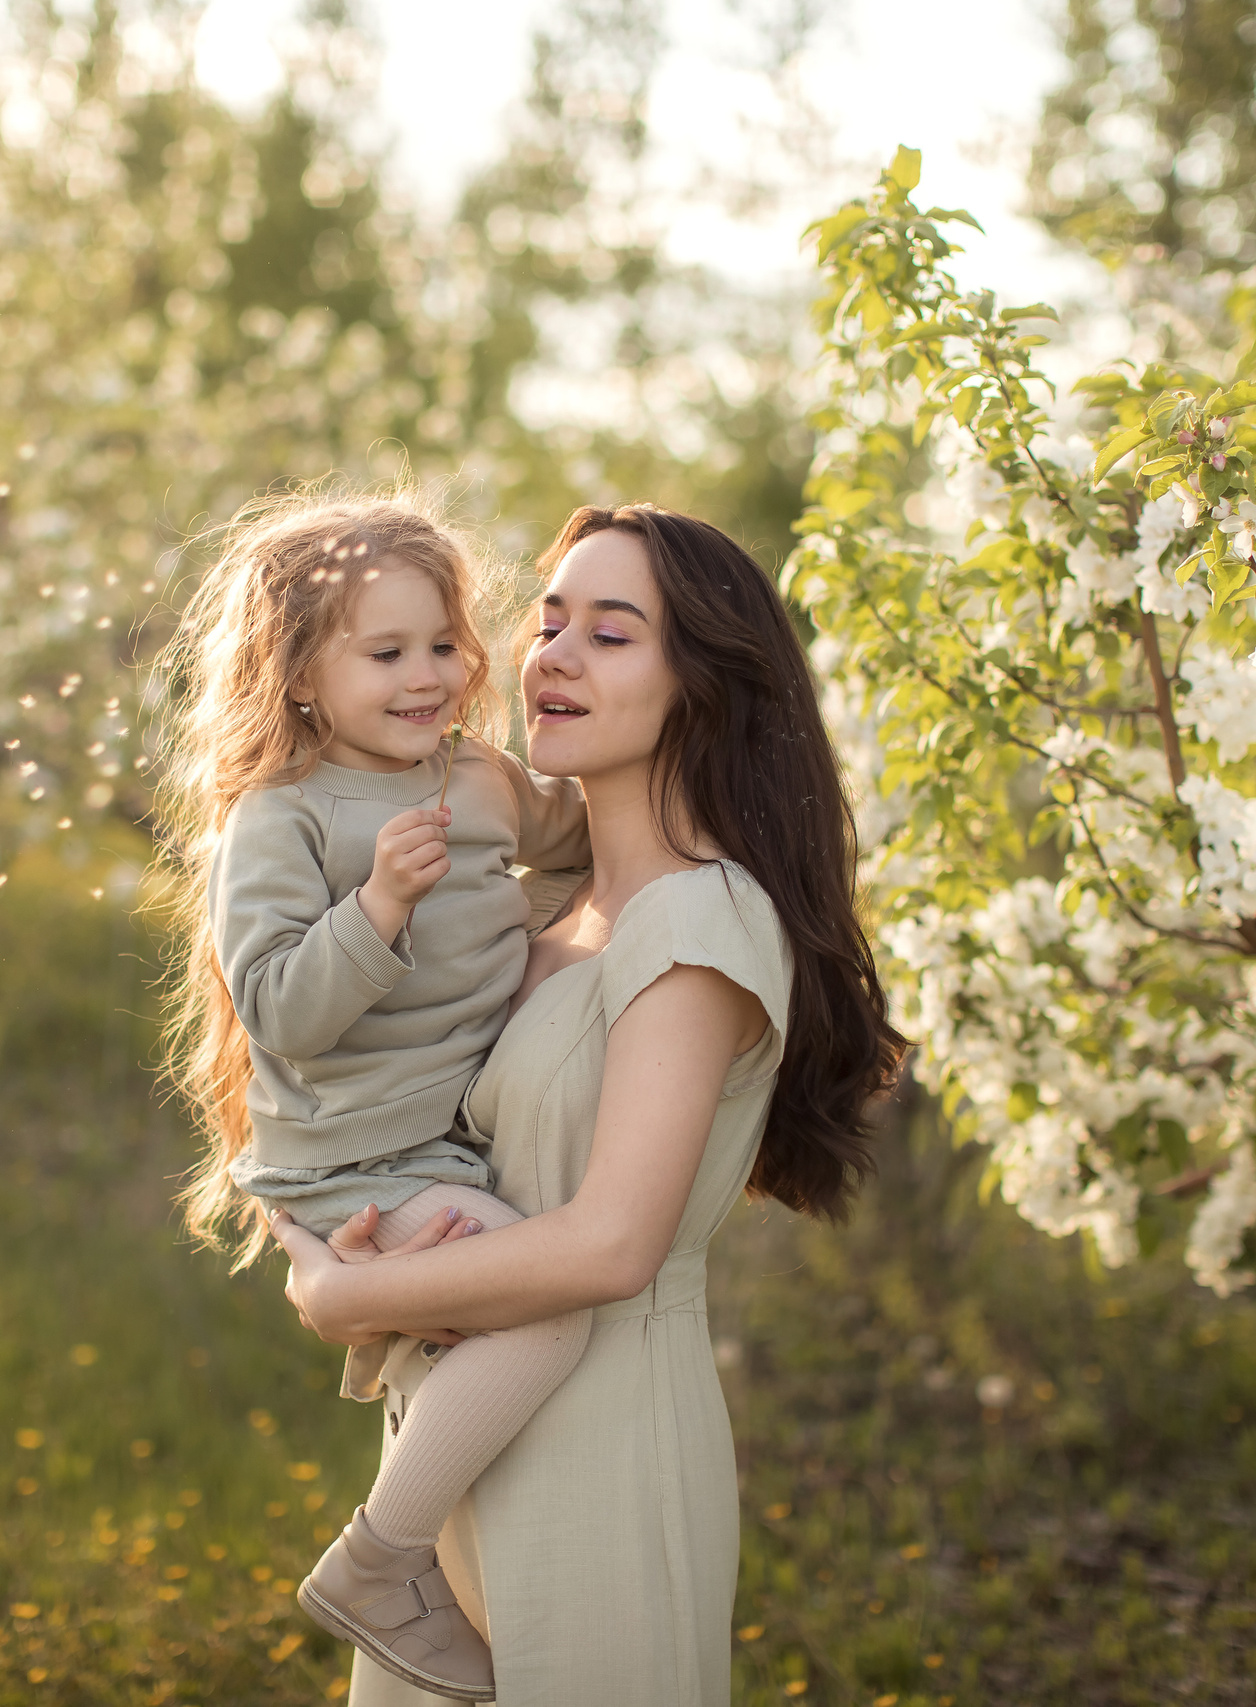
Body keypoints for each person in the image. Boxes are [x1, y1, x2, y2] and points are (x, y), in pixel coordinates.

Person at [271, 503, 905, 1705]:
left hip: (598, 1450)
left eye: (610, 635)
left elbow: (612, 1243)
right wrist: (371, 1222)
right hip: (458, 1437)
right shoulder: (545, 909)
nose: (551, 653)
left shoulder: (696, 921)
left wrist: (343, 1291)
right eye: (549, 619)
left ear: (704, 688)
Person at [155, 491, 597, 1700]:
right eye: (385, 652)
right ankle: (378, 1561)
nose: (428, 676)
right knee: (548, 1307)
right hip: (354, 1161)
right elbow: (282, 1012)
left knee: (512, 1298)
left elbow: (584, 849)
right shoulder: (281, 816)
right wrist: (379, 911)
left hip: (446, 1147)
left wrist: (538, 938)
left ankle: (398, 1328)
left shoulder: (484, 778)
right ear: (300, 673)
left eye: (443, 645)